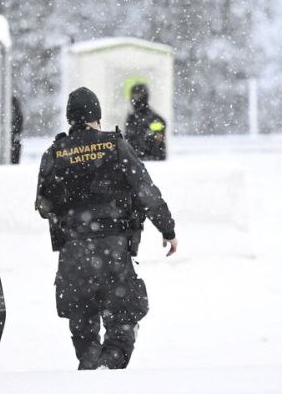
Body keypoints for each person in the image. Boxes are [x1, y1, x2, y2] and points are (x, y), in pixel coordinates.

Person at [35, 87, 178, 370]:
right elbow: (145, 191)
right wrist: (168, 229)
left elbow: (44, 206)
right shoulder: (115, 145)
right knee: (123, 318)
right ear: (96, 118)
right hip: (113, 250)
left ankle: (91, 367)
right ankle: (110, 365)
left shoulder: (55, 153)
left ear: (71, 119)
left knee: (84, 328)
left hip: (74, 252)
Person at [125, 83, 167, 160]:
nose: (135, 98)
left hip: (152, 163)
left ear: (145, 96)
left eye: (138, 95)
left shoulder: (155, 119)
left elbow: (157, 141)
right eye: (134, 95)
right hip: (135, 162)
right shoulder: (131, 118)